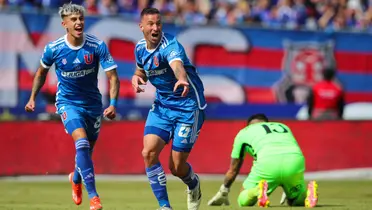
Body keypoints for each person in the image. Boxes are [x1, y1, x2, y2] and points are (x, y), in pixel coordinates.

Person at [24, 3, 120, 210]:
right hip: (67, 103)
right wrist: (32, 98)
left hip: (93, 105)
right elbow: (40, 73)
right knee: (82, 144)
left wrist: (113, 104)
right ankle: (94, 197)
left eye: (81, 19)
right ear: (64, 24)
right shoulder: (54, 48)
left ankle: (76, 178)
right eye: (74, 20)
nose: (78, 23)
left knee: (86, 151)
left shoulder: (96, 46)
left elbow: (113, 77)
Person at [131, 7, 207, 210]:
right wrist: (137, 77)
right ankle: (164, 206)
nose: (156, 28)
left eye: (158, 23)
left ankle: (193, 184)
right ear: (142, 27)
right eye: (151, 24)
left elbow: (177, 65)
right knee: (148, 153)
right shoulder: (139, 48)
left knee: (176, 167)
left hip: (188, 106)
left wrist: (182, 79)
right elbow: (142, 69)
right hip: (163, 106)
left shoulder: (170, 45)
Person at [207, 113, 318, 208]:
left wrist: (224, 190)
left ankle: (257, 191)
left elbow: (233, 170)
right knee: (294, 201)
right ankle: (306, 193)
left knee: (242, 200)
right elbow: (285, 152)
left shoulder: (244, 132)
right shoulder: (282, 126)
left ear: (248, 126)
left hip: (268, 163)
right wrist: (286, 185)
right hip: (295, 160)